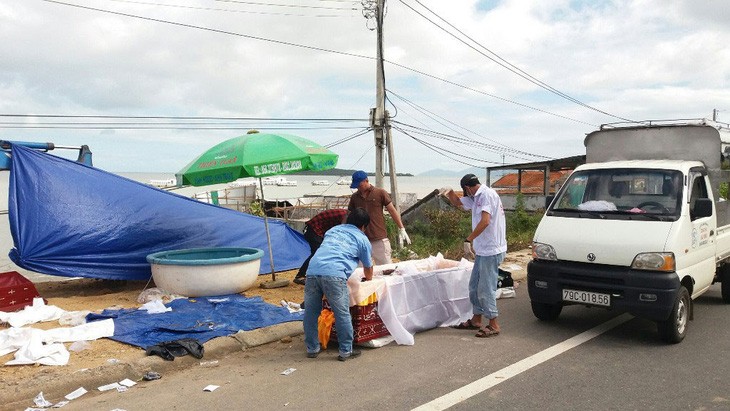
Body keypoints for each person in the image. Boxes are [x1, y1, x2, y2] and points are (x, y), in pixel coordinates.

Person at [440, 174, 507, 338]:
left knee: (486, 288)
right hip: (483, 250)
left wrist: (468, 239)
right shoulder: (477, 196)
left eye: (465, 191)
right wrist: (449, 193)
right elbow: (459, 203)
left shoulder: (486, 195)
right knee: (474, 286)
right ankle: (476, 319)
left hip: (491, 250)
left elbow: (485, 221)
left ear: (468, 188)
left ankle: (493, 324)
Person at [303, 207, 374, 361]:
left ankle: (312, 348)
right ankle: (345, 351)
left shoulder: (333, 231)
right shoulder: (362, 239)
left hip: (312, 271)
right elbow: (368, 268)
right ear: (363, 227)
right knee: (342, 313)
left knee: (310, 312)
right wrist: (368, 280)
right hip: (334, 275)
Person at [348, 170, 411, 265]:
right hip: (361, 239)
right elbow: (348, 215)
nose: (358, 188)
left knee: (386, 268)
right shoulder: (354, 197)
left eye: (359, 185)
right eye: (356, 186)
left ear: (366, 180)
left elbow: (392, 211)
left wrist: (402, 228)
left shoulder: (380, 193)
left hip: (379, 238)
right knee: (359, 271)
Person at [293, 208, 349, 285]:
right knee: (317, 253)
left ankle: (321, 275)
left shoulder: (347, 215)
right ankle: (300, 276)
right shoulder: (345, 217)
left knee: (323, 253)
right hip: (313, 230)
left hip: (320, 231)